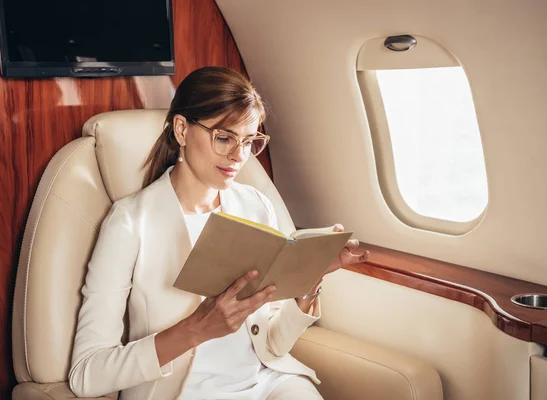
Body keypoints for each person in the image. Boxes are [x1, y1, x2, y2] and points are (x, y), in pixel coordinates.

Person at [68, 66, 369, 400]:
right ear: (181, 130)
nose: (239, 156)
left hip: (266, 385)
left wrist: (308, 279)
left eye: (250, 141)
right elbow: (87, 373)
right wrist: (195, 330)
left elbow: (272, 344)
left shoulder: (255, 205)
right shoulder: (129, 223)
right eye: (224, 137)